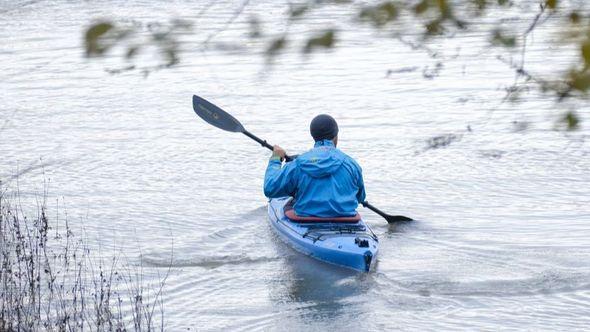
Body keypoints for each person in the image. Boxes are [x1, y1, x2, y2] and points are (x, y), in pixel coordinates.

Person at [264, 114, 366, 218]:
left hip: (308, 221)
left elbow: (270, 189)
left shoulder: (298, 164)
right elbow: (360, 198)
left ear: (313, 136)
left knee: (289, 203)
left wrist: (275, 159)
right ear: (336, 136)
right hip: (347, 221)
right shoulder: (352, 165)